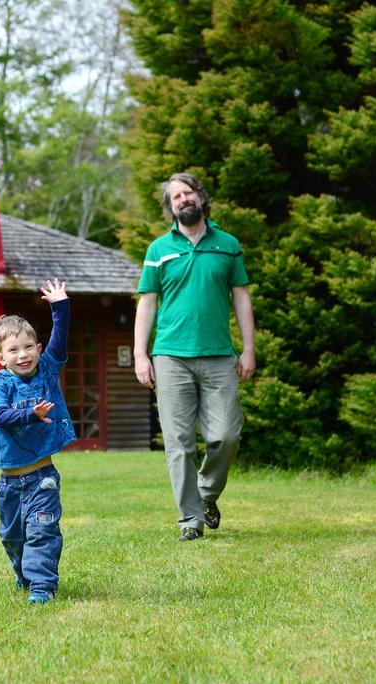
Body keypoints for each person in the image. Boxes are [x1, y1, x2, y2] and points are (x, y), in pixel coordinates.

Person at [133, 173, 256, 541]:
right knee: (179, 442)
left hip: (219, 356)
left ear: (200, 197)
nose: (183, 199)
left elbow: (241, 297)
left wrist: (248, 348)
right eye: (176, 197)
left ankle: (205, 494)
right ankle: (190, 519)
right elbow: (147, 303)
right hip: (170, 357)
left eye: (188, 193)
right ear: (170, 208)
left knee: (227, 436)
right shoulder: (159, 250)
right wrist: (141, 354)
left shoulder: (228, 245)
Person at [0, 278, 76, 604]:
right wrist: (29, 415)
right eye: (13, 350)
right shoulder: (1, 384)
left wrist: (60, 307)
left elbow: (60, 340)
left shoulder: (47, 371)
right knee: (12, 537)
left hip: (42, 479)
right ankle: (24, 575)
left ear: (38, 350)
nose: (23, 355)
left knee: (42, 532)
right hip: (9, 483)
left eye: (28, 347)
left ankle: (42, 587)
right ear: (1, 358)